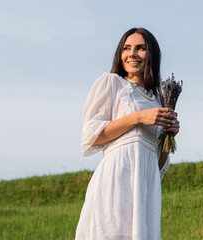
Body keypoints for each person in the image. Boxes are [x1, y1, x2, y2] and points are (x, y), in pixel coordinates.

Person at [76, 27, 179, 240]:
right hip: (114, 183)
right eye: (126, 48)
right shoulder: (113, 84)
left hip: (144, 190)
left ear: (152, 55)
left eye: (140, 48)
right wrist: (138, 118)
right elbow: (90, 136)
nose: (132, 54)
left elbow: (156, 166)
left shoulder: (158, 101)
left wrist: (169, 136)